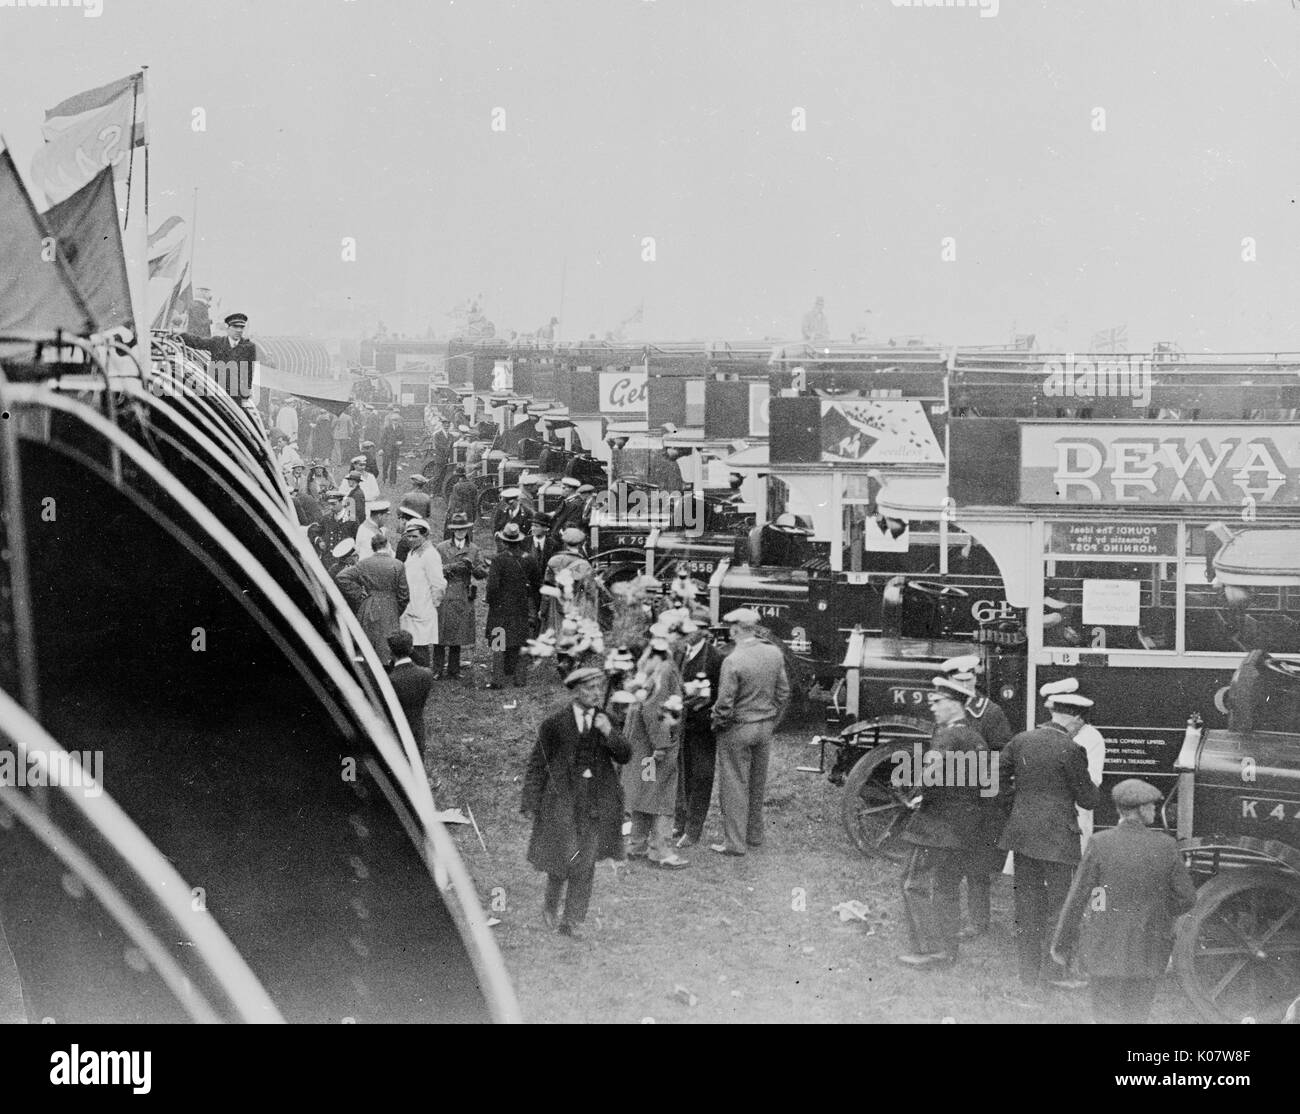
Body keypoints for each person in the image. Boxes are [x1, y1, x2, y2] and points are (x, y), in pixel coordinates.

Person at [1050, 779, 1196, 1024]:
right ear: (1139, 810)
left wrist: (1062, 945)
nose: (1153, 810)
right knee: (1137, 1017)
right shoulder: (1166, 846)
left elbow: (1079, 897)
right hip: (1148, 950)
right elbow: (1187, 898)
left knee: (1105, 1017)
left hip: (1104, 949)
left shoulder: (1100, 842)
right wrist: (1160, 911)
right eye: (1150, 806)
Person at [998, 677, 1101, 988]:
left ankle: (1028, 974)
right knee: (1060, 906)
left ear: (1054, 711)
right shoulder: (1072, 749)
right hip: (1058, 841)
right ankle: (1055, 973)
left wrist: (1016, 808)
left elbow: (997, 783)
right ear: (1072, 717)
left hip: (1022, 836)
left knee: (1027, 905)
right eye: (1079, 722)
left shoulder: (1020, 740)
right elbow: (1088, 799)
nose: (1077, 727)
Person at [521, 665, 631, 939]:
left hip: (594, 801)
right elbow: (538, 763)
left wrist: (609, 733)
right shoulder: (555, 724)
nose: (596, 694)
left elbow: (625, 755)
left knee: (587, 860)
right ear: (575, 692)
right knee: (563, 856)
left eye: (599, 688)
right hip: (563, 801)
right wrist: (531, 800)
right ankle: (551, 903)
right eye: (590, 689)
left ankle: (572, 921)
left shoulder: (605, 720)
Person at [897, 677, 990, 969]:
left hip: (936, 827)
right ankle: (948, 951)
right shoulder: (976, 738)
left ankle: (930, 950)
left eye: (937, 702)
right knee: (947, 888)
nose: (933, 708)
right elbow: (986, 784)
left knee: (914, 884)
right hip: (966, 826)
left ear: (953, 704)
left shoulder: (947, 738)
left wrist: (916, 797)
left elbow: (930, 776)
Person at [939, 654, 1013, 938]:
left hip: (980, 800)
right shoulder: (946, 711)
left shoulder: (990, 713)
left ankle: (978, 922)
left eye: (970, 680)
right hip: (951, 799)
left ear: (976, 679)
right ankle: (947, 919)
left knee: (976, 866)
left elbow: (1002, 756)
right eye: (959, 681)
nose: (966, 686)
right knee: (948, 862)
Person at [709, 608, 790, 856]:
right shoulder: (774, 653)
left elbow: (724, 703)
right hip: (764, 727)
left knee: (734, 784)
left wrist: (717, 724)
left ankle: (734, 843)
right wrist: (771, 717)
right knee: (757, 783)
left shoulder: (733, 660)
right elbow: (784, 692)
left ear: (735, 629)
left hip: (738, 728)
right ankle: (754, 834)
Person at [623, 639, 689, 869]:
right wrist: (661, 745)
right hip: (656, 748)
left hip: (641, 748)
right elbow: (654, 711)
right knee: (662, 796)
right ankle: (661, 850)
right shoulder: (667, 670)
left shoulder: (646, 673)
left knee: (645, 791)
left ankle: (637, 844)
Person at [673, 619, 724, 849]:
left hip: (703, 728)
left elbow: (721, 695)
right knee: (682, 774)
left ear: (703, 631)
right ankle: (680, 821)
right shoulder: (681, 653)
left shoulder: (714, 658)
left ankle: (693, 830)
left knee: (701, 775)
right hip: (681, 724)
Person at [337, 532, 410, 666]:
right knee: (388, 644)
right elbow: (404, 595)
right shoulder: (398, 564)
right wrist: (396, 609)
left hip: (369, 605)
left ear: (373, 548)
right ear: (387, 545)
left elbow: (342, 577)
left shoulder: (364, 564)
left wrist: (359, 594)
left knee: (368, 642)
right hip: (390, 606)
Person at [485, 521, 541, 689]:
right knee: (520, 640)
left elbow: (492, 586)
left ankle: (497, 680)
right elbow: (537, 585)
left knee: (499, 643)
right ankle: (520, 679)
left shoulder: (498, 560)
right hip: (521, 606)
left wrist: (491, 601)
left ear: (504, 541)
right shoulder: (529, 559)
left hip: (500, 608)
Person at [433, 513, 488, 680]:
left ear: (467, 529)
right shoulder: (441, 548)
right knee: (440, 633)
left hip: (463, 593)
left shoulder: (474, 549)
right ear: (452, 530)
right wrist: (451, 567)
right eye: (457, 529)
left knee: (458, 632)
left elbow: (482, 573)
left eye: (463, 529)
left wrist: (473, 568)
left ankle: (454, 669)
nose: (460, 532)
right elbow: (434, 570)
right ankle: (437, 669)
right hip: (444, 592)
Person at [178, 312, 260, 400]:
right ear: (227, 328)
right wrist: (180, 335)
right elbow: (198, 342)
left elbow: (249, 372)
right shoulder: (217, 342)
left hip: (235, 395)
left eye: (241, 327)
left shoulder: (249, 347)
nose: (238, 330)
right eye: (235, 327)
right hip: (214, 391)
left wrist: (245, 395)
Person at [399, 518, 447, 669]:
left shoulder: (430, 554)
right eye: (409, 536)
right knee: (411, 644)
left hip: (422, 607)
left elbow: (438, 584)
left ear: (425, 536)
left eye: (415, 536)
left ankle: (424, 677)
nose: (412, 540)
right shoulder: (413, 552)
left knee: (420, 646)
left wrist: (432, 604)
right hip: (410, 606)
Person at [544, 528, 601, 635]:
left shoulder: (553, 561)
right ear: (580, 544)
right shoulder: (585, 566)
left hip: (556, 609)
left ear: (565, 543)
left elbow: (546, 591)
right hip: (577, 609)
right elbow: (591, 593)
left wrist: (543, 611)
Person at [354, 499, 391, 567]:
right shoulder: (369, 533)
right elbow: (368, 559)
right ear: (379, 516)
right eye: (386, 516)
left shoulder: (367, 526)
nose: (387, 519)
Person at [427, 417, 453, 499]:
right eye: (445, 425)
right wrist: (447, 448)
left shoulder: (451, 435)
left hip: (447, 459)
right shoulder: (437, 434)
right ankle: (433, 492)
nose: (446, 426)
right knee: (437, 476)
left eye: (448, 425)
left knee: (443, 476)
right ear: (442, 425)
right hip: (439, 457)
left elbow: (452, 446)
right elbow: (437, 445)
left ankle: (439, 492)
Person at [380, 408, 404, 486]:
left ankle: (392, 481)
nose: (395, 421)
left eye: (396, 420)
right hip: (387, 449)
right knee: (385, 465)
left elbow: (403, 438)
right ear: (391, 420)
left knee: (394, 466)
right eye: (394, 420)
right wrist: (381, 449)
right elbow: (383, 439)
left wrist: (401, 442)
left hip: (395, 450)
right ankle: (384, 478)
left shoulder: (400, 428)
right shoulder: (387, 428)